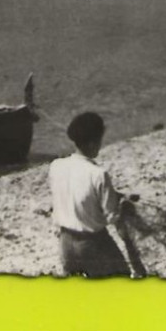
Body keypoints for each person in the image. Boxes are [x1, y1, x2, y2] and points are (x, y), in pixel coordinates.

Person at [49, 111, 134, 278]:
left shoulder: (56, 166)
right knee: (121, 278)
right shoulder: (99, 174)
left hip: (65, 243)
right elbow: (112, 217)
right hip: (92, 243)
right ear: (92, 143)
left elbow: (76, 192)